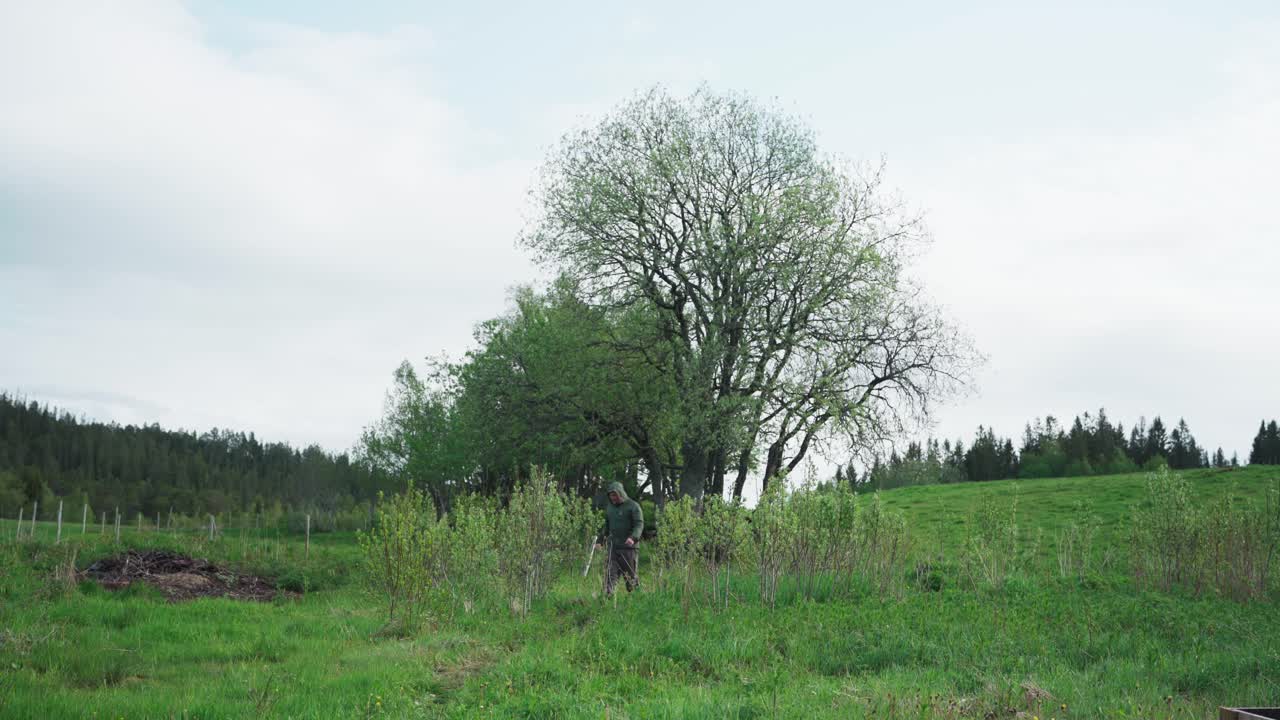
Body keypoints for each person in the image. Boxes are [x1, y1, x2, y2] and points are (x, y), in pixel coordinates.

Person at [596, 481, 643, 597]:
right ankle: (607, 597)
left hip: (629, 548)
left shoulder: (633, 506)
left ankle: (636, 599)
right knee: (610, 574)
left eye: (615, 495)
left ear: (621, 494)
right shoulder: (610, 508)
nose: (613, 498)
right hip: (613, 547)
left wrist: (633, 538)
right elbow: (606, 527)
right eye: (611, 496)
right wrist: (600, 541)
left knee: (630, 578)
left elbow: (639, 524)